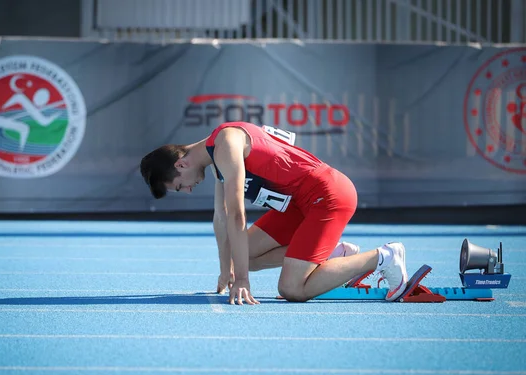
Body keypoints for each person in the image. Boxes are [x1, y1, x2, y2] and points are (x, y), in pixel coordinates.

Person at [140, 121, 408, 305]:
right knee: (243, 254)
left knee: (292, 289)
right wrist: (227, 270)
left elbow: (236, 215)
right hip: (298, 204)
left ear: (181, 163)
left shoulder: (227, 144)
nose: (187, 190)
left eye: (179, 185)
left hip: (327, 196)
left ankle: (383, 257)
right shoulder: (215, 152)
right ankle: (333, 255)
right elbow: (220, 217)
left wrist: (242, 280)